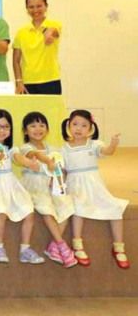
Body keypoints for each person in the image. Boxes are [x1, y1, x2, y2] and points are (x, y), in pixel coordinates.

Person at [61, 110, 129, 269]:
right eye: (75, 124)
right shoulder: (64, 149)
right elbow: (62, 170)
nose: (79, 128)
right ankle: (77, 245)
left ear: (91, 128)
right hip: (75, 185)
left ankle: (119, 247)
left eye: (84, 125)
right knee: (78, 208)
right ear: (69, 126)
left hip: (94, 185)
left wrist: (113, 143)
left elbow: (108, 152)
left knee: (115, 207)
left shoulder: (94, 144)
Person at [0, 110, 45, 265]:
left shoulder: (11, 148)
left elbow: (18, 158)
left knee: (29, 210)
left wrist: (29, 163)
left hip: (11, 183)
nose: (1, 130)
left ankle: (25, 249)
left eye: (6, 127)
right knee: (1, 211)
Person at [19, 112, 77, 268]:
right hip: (34, 185)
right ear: (25, 131)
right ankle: (62, 245)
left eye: (42, 125)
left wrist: (58, 178)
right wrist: (48, 161)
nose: (38, 129)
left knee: (67, 205)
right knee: (46, 208)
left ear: (47, 129)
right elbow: (35, 155)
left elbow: (60, 168)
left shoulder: (53, 149)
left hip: (52, 184)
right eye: (33, 126)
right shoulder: (25, 148)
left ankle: (53, 246)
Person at [12, 0, 63, 95]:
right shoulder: (21, 32)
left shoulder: (54, 24)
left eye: (39, 6)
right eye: (31, 7)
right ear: (27, 9)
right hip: (27, 82)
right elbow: (16, 60)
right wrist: (19, 81)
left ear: (46, 7)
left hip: (51, 80)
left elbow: (54, 32)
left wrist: (49, 34)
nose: (35, 10)